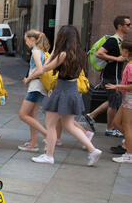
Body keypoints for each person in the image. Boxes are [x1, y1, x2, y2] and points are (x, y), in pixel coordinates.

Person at [32, 25, 102, 166]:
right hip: (72, 91)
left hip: (62, 91)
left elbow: (44, 68)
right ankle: (92, 149)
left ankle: (49, 155)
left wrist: (52, 54)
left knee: (50, 124)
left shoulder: (63, 54)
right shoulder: (80, 53)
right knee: (69, 124)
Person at [84, 15, 131, 136]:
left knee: (113, 100)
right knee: (113, 102)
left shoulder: (119, 41)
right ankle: (110, 129)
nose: (130, 27)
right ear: (120, 26)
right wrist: (117, 58)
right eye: (128, 25)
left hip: (113, 75)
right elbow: (100, 54)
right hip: (111, 75)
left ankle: (91, 115)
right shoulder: (112, 40)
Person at [17, 30, 49, 152]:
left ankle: (47, 135)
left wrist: (28, 78)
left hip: (35, 87)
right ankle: (33, 143)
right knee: (32, 115)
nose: (26, 43)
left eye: (26, 40)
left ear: (32, 39)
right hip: (40, 87)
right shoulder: (41, 51)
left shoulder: (35, 51)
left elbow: (40, 70)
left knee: (23, 114)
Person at [106, 40, 132, 163]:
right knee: (116, 122)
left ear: (126, 51)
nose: (120, 51)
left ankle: (129, 154)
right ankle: (129, 142)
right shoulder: (129, 64)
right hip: (127, 97)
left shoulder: (130, 66)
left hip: (130, 98)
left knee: (127, 127)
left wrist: (117, 86)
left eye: (121, 49)